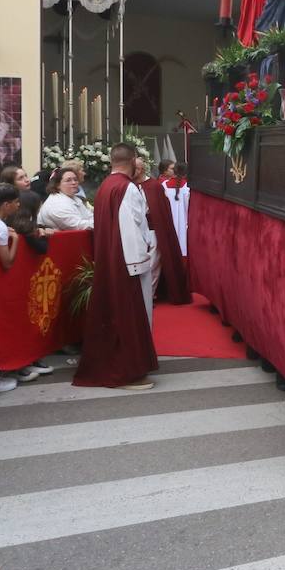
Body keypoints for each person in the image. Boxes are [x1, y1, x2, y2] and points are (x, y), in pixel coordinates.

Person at [73, 143, 159, 390]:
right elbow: (131, 227)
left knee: (114, 316)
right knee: (128, 317)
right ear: (132, 160)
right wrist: (140, 263)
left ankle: (122, 366)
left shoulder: (105, 186)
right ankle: (126, 372)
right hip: (127, 263)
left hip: (111, 259)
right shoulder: (126, 188)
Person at [138, 154, 191, 305]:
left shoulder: (156, 186)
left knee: (153, 262)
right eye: (171, 168)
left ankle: (149, 294)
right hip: (140, 230)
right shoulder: (159, 185)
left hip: (154, 229)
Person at [38, 166, 94, 230]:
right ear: (57, 185)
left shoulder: (74, 198)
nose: (74, 183)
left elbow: (90, 216)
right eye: (68, 180)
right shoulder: (56, 204)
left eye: (75, 179)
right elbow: (78, 226)